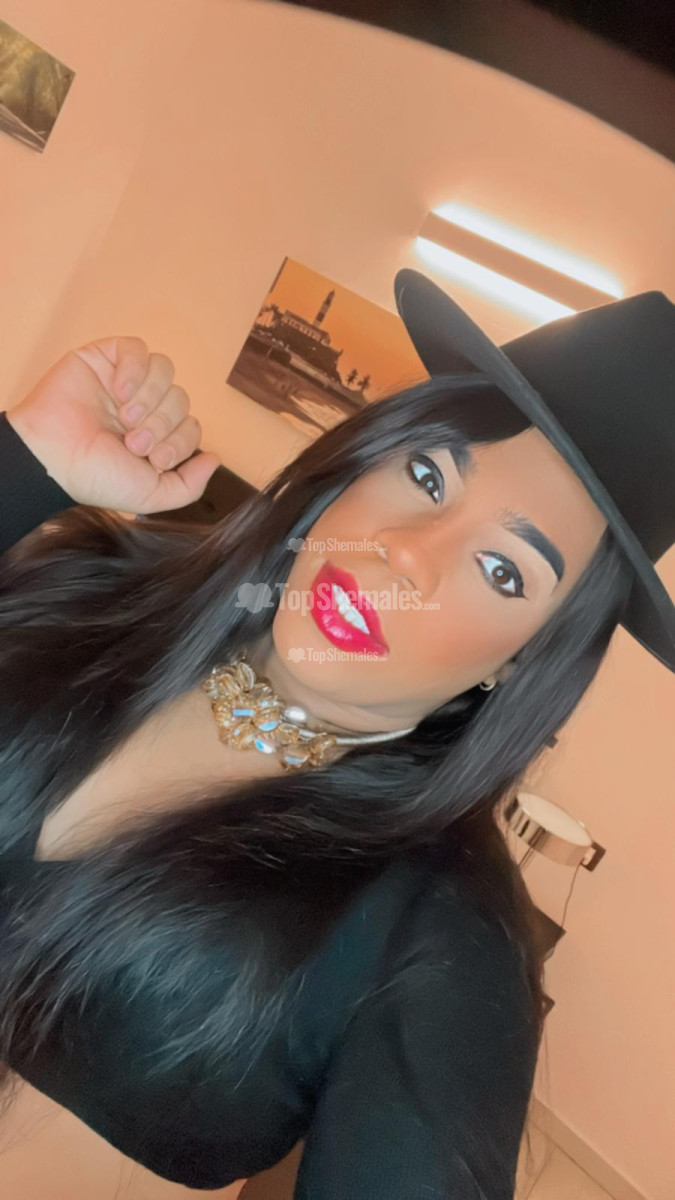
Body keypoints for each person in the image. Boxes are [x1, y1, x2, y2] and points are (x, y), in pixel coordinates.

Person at [0, 268, 672, 1197]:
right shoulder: (86, 579)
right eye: (428, 474)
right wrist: (24, 463)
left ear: (522, 659)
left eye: (502, 571)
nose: (407, 552)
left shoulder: (442, 944)